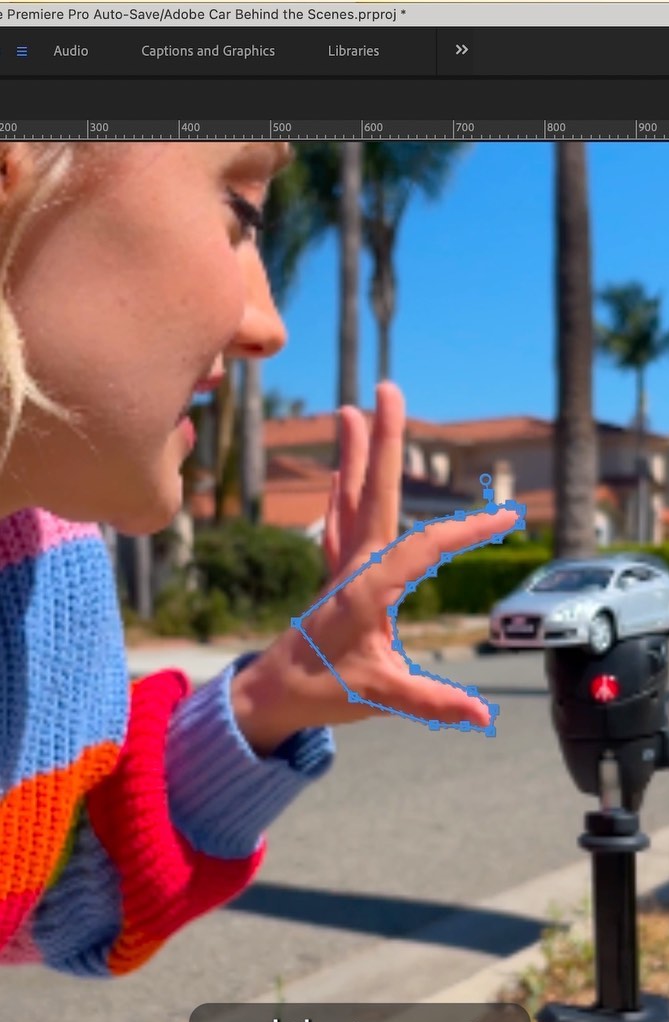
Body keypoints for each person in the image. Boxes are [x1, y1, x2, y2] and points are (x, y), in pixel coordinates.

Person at [0, 140, 520, 977]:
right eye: (239, 213)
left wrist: (264, 704)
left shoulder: (46, 565)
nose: (268, 328)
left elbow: (46, 897)